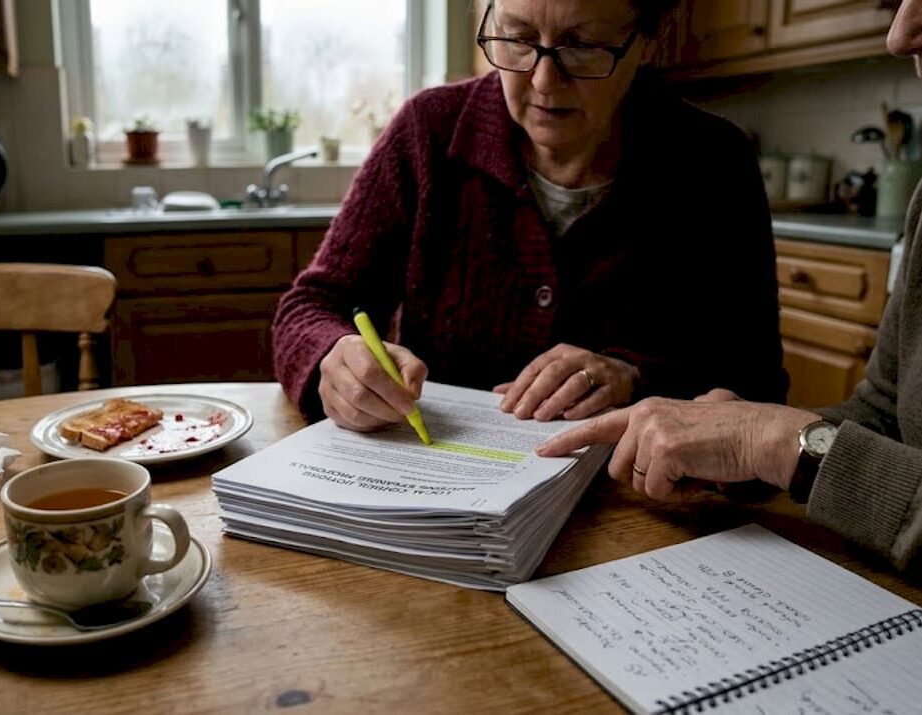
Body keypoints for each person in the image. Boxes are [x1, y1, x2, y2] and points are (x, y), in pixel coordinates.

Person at [273, 0, 787, 431]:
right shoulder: (428, 132)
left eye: (581, 46)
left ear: (647, 42)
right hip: (437, 489)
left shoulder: (715, 162)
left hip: (636, 503)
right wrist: (334, 358)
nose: (543, 80)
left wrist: (637, 378)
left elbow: (756, 383)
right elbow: (312, 306)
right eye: (516, 38)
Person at [539, 0, 922, 574]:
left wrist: (779, 443)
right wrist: (740, 448)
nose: (900, 34)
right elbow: (884, 413)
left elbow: (769, 399)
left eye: (582, 46)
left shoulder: (710, 156)